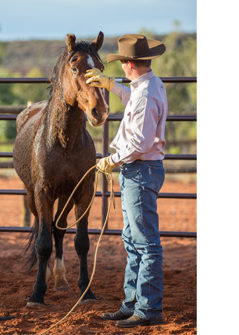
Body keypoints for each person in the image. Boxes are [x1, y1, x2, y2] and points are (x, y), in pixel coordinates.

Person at [85, 34, 168, 328]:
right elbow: (133, 98)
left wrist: (112, 160)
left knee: (144, 243)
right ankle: (133, 303)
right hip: (140, 170)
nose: (121, 67)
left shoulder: (145, 94)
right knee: (134, 240)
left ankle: (147, 309)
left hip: (139, 169)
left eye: (122, 64)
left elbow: (140, 141)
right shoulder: (147, 86)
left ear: (130, 64)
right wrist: (111, 86)